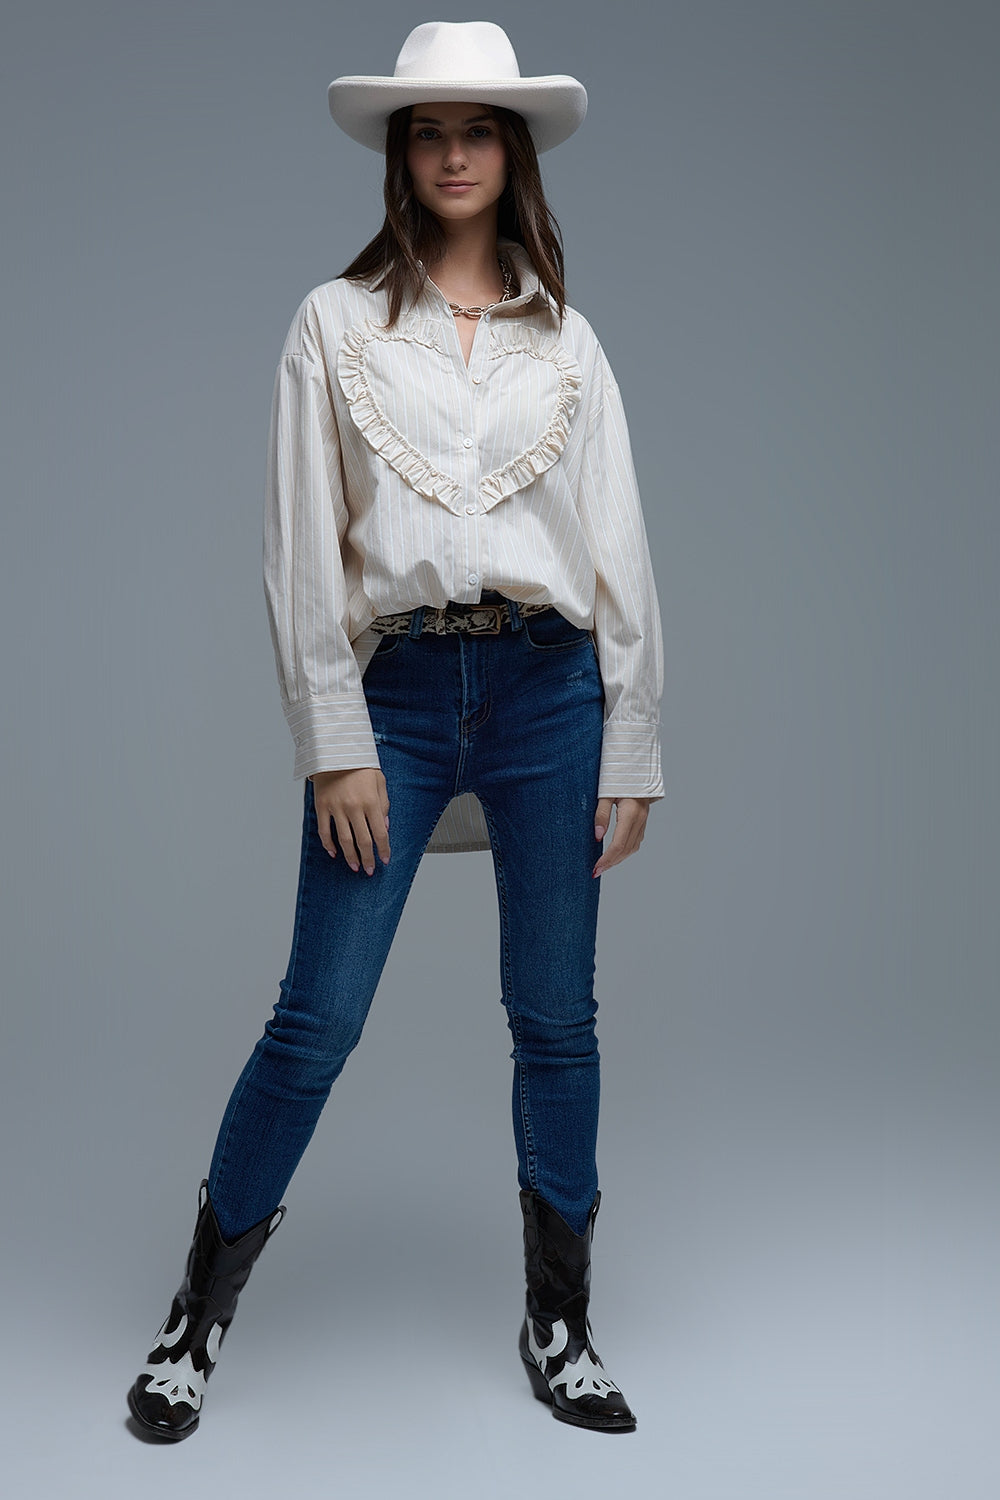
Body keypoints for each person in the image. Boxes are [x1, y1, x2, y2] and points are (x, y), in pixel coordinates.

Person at [126, 19, 663, 1441]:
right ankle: (194, 1319)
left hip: (552, 692)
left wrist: (633, 737)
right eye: (430, 132)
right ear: (401, 155)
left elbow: (618, 546)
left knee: (557, 1022)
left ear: (514, 151)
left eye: (478, 130)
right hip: (401, 694)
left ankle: (561, 1325)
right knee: (318, 1017)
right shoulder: (335, 325)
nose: (454, 154)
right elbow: (301, 546)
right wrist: (334, 737)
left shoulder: (570, 342)